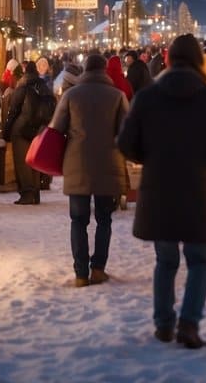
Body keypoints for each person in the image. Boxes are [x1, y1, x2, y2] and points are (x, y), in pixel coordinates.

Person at [118, 35, 206, 348]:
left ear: (169, 60)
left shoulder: (147, 97)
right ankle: (189, 323)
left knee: (166, 259)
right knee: (198, 260)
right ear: (199, 61)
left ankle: (163, 323)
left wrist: (151, 158)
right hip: (197, 186)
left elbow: (125, 143)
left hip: (159, 187)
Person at [52, 54, 130, 286]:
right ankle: (98, 268)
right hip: (108, 164)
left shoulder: (71, 95)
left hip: (78, 165)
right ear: (105, 70)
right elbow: (126, 132)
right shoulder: (117, 96)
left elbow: (56, 128)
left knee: (78, 220)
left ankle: (80, 274)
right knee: (104, 219)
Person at [0, 60, 56, 205]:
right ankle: (35, 193)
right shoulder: (44, 87)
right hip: (38, 130)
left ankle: (27, 193)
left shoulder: (22, 86)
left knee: (22, 162)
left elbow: (13, 112)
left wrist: (6, 132)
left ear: (25, 72)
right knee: (34, 161)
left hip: (21, 130)